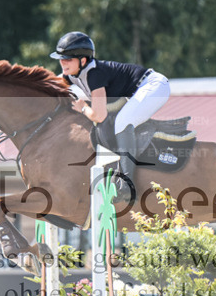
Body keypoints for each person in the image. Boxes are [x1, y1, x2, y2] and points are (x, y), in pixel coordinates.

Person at [50, 31, 171, 203]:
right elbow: (48, 85)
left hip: (154, 87)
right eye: (61, 58)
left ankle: (128, 185)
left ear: (83, 61)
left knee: (122, 123)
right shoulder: (72, 73)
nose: (63, 62)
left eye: (68, 58)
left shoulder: (94, 74)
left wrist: (83, 107)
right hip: (140, 89)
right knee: (119, 123)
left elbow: (99, 116)